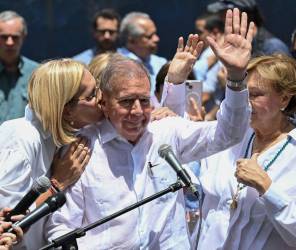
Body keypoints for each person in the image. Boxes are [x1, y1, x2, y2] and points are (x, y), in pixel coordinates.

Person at [46, 8, 253, 249]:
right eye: (125, 102)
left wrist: (236, 76)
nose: (136, 112)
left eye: (144, 101)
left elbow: (229, 134)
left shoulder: (165, 133)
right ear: (103, 102)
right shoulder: (82, 150)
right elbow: (61, 226)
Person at [197, 56, 296, 250]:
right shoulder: (231, 135)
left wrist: (268, 189)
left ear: (284, 99)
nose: (245, 101)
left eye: (255, 94)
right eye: (243, 92)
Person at [0, 59, 103, 249]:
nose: (101, 99)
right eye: (91, 95)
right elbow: (9, 225)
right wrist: (57, 184)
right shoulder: (21, 137)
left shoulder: (57, 136)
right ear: (66, 110)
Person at [207, 0, 290, 57]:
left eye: (224, 13)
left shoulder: (274, 47)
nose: (221, 18)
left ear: (243, 14)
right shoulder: (239, 43)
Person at [0, 10, 38, 124]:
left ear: (23, 37)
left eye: (15, 37)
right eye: (4, 37)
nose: (10, 42)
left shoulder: (37, 74)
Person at [117, 12, 167, 95]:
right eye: (149, 36)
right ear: (131, 40)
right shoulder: (115, 64)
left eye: (155, 34)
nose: (156, 39)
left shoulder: (161, 63)